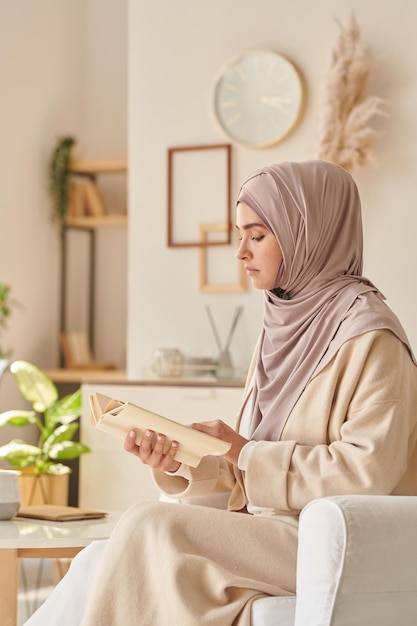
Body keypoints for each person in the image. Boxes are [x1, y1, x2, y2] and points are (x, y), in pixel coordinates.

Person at [25, 160, 417, 626]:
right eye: (239, 235)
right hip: (264, 530)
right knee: (98, 558)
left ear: (305, 233)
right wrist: (182, 461)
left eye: (256, 235)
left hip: (327, 543)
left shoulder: (373, 339)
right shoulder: (281, 331)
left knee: (149, 525)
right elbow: (246, 474)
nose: (240, 253)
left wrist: (245, 450)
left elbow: (367, 471)